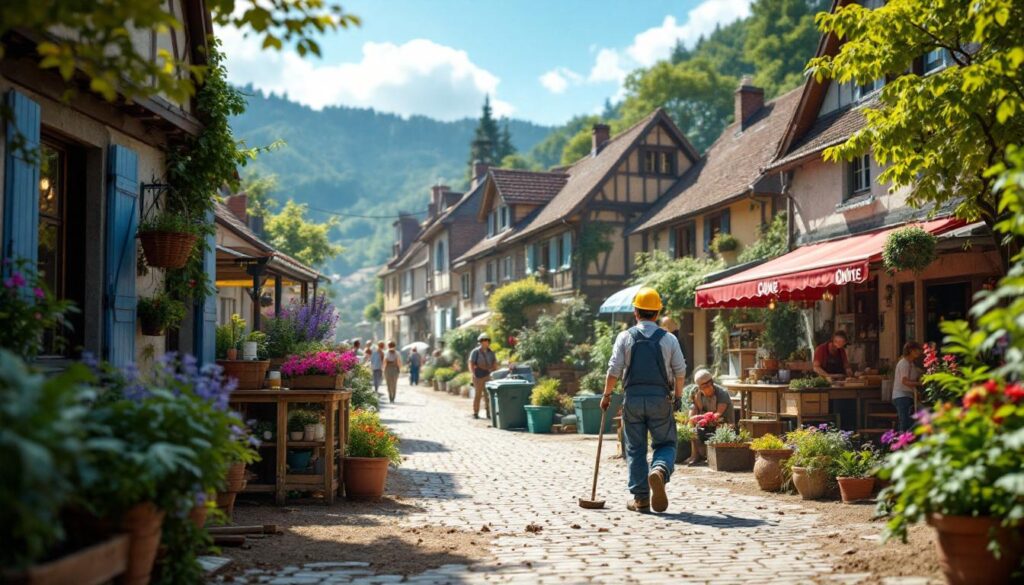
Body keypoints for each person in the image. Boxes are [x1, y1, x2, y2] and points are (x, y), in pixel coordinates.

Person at [603, 286, 686, 513]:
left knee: (635, 448)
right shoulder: (668, 339)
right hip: (660, 398)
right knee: (666, 443)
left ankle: (641, 498)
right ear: (657, 314)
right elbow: (680, 371)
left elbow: (613, 371)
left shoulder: (625, 337)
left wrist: (607, 395)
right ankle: (659, 470)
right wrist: (678, 397)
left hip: (633, 400)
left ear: (636, 313)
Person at [685, 368, 735, 466]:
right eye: (700, 388)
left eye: (705, 387)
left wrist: (702, 417)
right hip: (706, 423)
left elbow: (718, 414)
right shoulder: (696, 393)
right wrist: (693, 418)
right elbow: (692, 413)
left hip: (724, 424)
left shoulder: (722, 393)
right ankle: (695, 455)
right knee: (691, 427)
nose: (703, 390)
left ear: (710, 384)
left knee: (716, 428)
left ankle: (711, 456)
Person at [892, 342, 923, 431]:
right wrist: (920, 384)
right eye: (916, 350)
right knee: (905, 422)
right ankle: (902, 442)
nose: (919, 352)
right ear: (910, 350)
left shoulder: (911, 364)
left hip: (908, 395)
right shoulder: (904, 363)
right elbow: (904, 381)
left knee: (908, 421)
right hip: (901, 396)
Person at [468, 333, 498, 419]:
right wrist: (473, 374)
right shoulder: (475, 352)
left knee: (488, 395)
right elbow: (471, 363)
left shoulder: (491, 352)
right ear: (480, 342)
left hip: (487, 375)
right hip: (478, 375)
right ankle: (476, 412)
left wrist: (493, 372)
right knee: (478, 395)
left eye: (487, 340)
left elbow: (494, 363)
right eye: (483, 340)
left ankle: (489, 413)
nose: (485, 342)